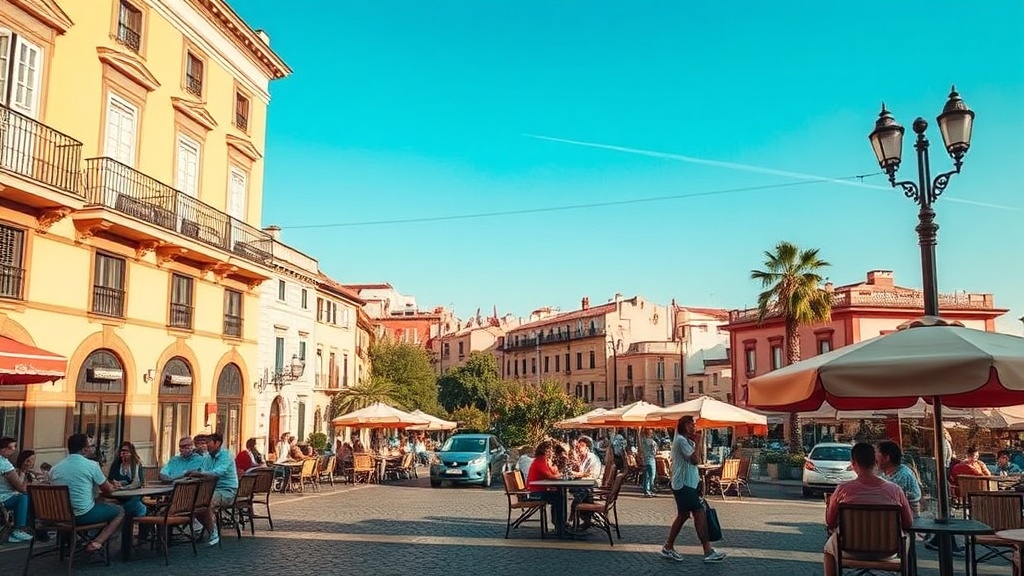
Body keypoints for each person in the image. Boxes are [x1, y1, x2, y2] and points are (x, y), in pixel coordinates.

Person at [823, 442, 913, 576]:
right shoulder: (895, 491)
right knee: (907, 538)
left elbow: (830, 522)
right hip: (888, 550)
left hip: (850, 550)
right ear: (875, 462)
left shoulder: (843, 490)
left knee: (828, 550)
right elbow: (908, 523)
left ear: (853, 464)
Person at [660, 416, 727, 563]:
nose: (694, 427)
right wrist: (697, 442)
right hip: (683, 484)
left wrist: (696, 442)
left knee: (683, 515)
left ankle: (668, 546)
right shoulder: (681, 441)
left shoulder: (686, 441)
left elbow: (697, 460)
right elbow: (695, 460)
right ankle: (707, 550)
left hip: (686, 484)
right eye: (692, 424)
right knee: (699, 512)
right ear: (685, 425)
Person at [50, 434, 124, 553]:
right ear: (84, 450)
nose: (92, 449)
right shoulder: (91, 466)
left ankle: (83, 539)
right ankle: (97, 542)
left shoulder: (55, 468)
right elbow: (107, 490)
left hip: (60, 516)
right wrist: (114, 487)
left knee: (99, 502)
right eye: (90, 446)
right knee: (120, 511)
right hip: (81, 515)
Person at [186, 432, 237, 546]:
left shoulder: (226, 455)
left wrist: (200, 474)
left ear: (217, 443)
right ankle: (207, 528)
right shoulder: (208, 457)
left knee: (206, 503)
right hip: (210, 490)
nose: (206, 445)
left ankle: (213, 533)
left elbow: (217, 473)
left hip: (227, 491)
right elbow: (203, 470)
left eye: (208, 442)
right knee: (194, 504)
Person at [0, 437, 32, 542]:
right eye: (13, 447)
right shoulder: (5, 465)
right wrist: (23, 472)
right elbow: (20, 487)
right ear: (5, 449)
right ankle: (19, 530)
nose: (15, 450)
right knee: (23, 498)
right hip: (3, 497)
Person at [526, 441, 564, 530]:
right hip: (536, 493)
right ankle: (560, 525)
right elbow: (551, 477)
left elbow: (553, 474)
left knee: (559, 496)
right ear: (546, 451)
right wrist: (557, 474)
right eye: (551, 451)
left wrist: (554, 469)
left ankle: (559, 525)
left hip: (539, 490)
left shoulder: (543, 461)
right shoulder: (540, 461)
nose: (552, 453)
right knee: (558, 498)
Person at [107, 442, 145, 517]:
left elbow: (140, 483)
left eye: (125, 451)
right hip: (118, 496)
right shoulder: (116, 464)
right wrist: (114, 483)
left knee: (138, 507)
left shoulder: (137, 465)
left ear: (131, 452)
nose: (123, 453)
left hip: (132, 496)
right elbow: (110, 479)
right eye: (122, 451)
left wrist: (123, 486)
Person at [640, 428, 659, 497]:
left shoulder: (643, 441)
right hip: (651, 459)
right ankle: (649, 490)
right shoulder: (652, 442)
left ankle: (646, 490)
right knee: (651, 475)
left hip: (645, 459)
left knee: (646, 475)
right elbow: (655, 452)